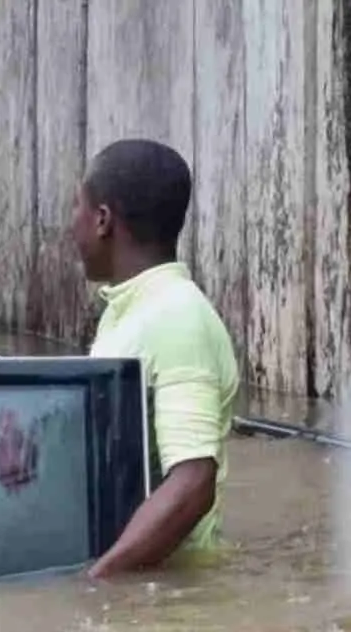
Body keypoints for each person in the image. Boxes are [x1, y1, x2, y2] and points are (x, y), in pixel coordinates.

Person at [70, 139, 240, 580]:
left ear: (103, 219)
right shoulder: (129, 312)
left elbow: (193, 481)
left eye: (78, 207)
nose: (72, 224)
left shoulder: (177, 317)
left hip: (170, 600)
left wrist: (99, 581)